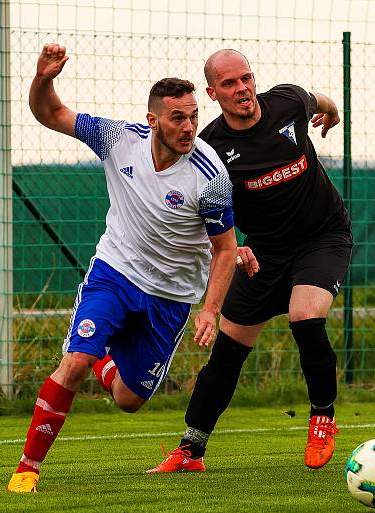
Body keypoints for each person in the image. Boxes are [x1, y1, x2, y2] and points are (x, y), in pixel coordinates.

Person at [7, 44, 238, 493]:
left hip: (170, 296)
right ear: (154, 120)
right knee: (73, 363)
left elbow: (225, 250)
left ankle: (102, 356)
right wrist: (43, 79)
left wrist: (210, 310)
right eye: (177, 118)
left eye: (192, 116)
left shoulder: (210, 177)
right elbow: (50, 114)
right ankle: (28, 468)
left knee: (129, 400)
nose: (188, 126)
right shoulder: (118, 138)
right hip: (115, 273)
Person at [148, 49, 352, 473]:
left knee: (305, 317)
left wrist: (331, 115)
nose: (242, 88)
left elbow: (323, 101)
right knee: (228, 352)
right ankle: (190, 450)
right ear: (212, 92)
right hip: (262, 253)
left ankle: (322, 419)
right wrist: (233, 247)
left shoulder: (289, 102)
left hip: (323, 237)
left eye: (246, 78)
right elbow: (199, 215)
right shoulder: (211, 148)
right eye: (229, 83)